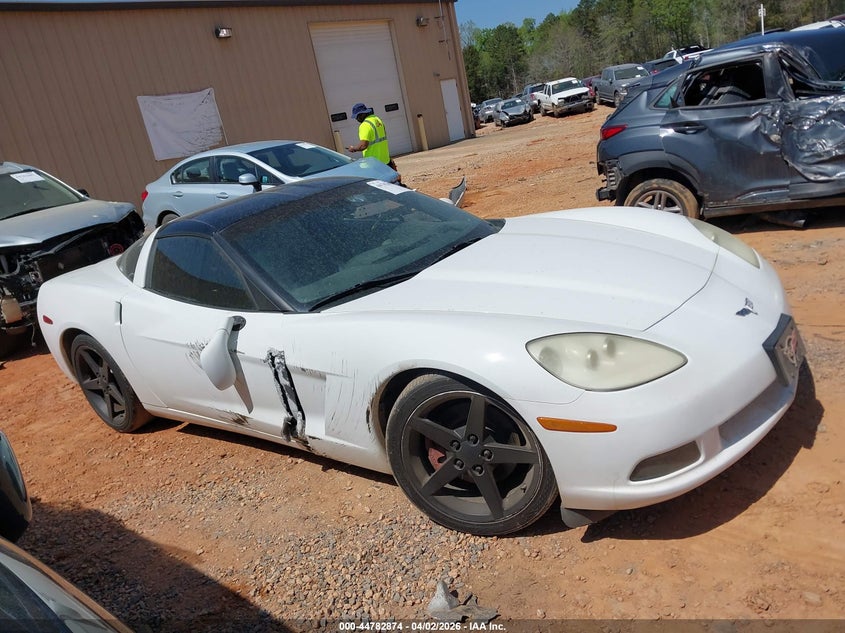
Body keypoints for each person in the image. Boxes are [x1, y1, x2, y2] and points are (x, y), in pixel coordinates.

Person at [346, 102, 403, 184]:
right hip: (385, 160)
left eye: (357, 117)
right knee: (391, 184)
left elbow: (363, 146)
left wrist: (353, 148)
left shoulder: (364, 125)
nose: (356, 119)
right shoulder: (377, 120)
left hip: (373, 163)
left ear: (361, 114)